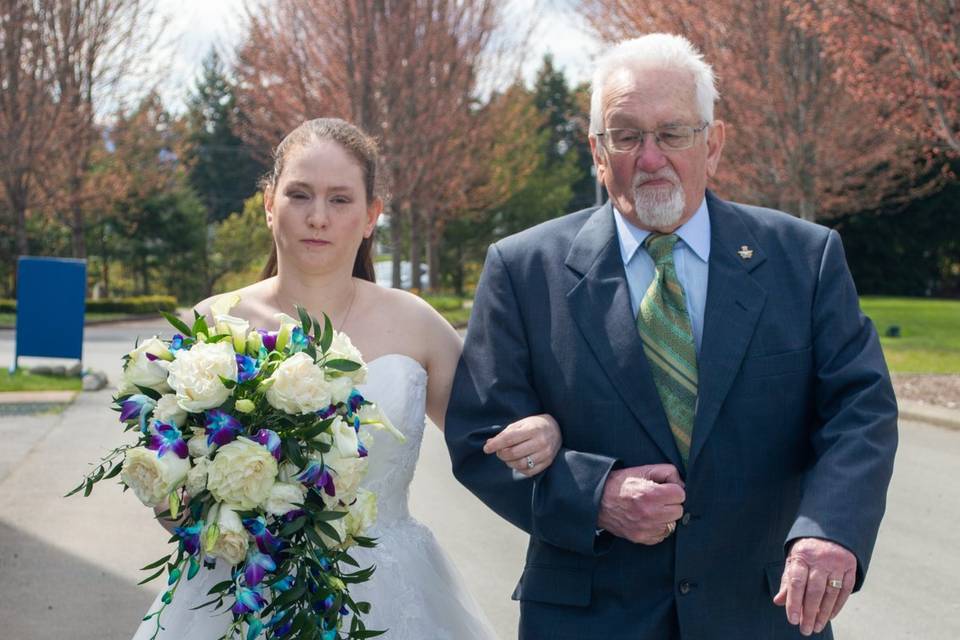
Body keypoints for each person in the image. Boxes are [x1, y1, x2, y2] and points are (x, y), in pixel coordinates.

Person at [445, 33, 898, 639]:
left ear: (712, 144)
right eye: (627, 135)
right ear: (598, 152)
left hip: (760, 612)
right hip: (587, 618)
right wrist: (595, 493)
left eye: (672, 133)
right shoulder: (523, 269)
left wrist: (830, 529)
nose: (650, 157)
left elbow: (859, 411)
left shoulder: (804, 258)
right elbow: (480, 438)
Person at [131, 117, 562, 639]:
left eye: (340, 200)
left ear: (370, 216)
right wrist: (201, 511)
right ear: (269, 204)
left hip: (390, 589)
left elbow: (492, 434)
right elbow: (171, 492)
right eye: (299, 195)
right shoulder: (213, 325)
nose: (318, 217)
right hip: (240, 592)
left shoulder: (418, 324)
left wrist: (547, 429)